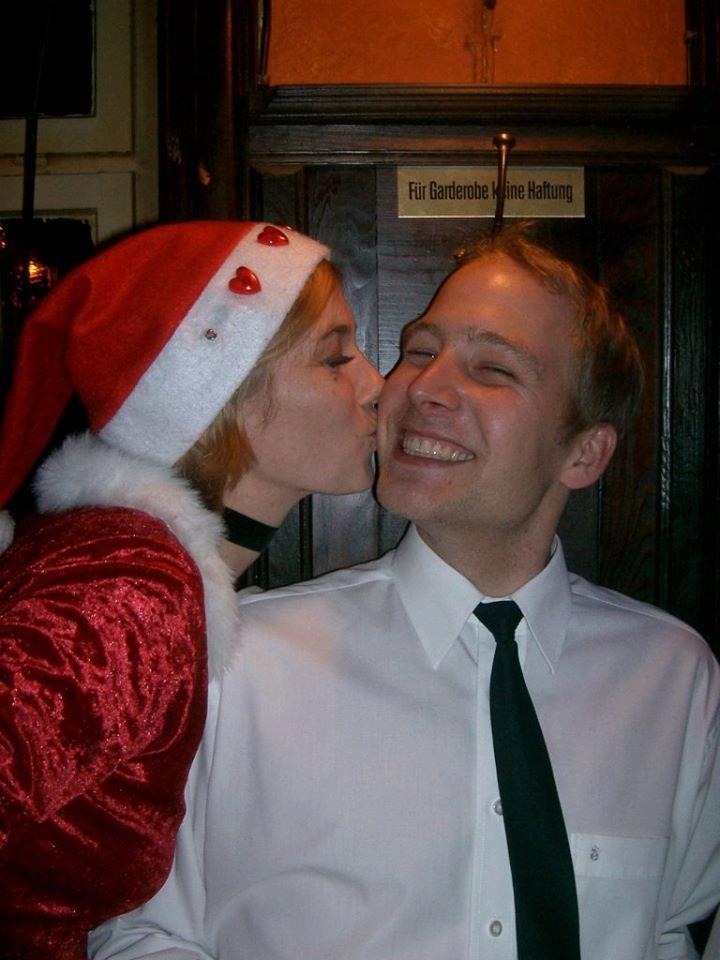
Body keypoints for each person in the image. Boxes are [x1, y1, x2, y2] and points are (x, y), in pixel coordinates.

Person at [89, 225, 719, 960]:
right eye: (419, 351)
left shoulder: (673, 679)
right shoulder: (237, 663)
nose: (422, 388)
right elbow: (138, 932)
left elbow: (673, 930)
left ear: (584, 453)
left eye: (493, 368)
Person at [0, 220, 382, 959]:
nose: (376, 386)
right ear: (216, 405)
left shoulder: (126, 560)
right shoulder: (133, 587)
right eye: (336, 358)